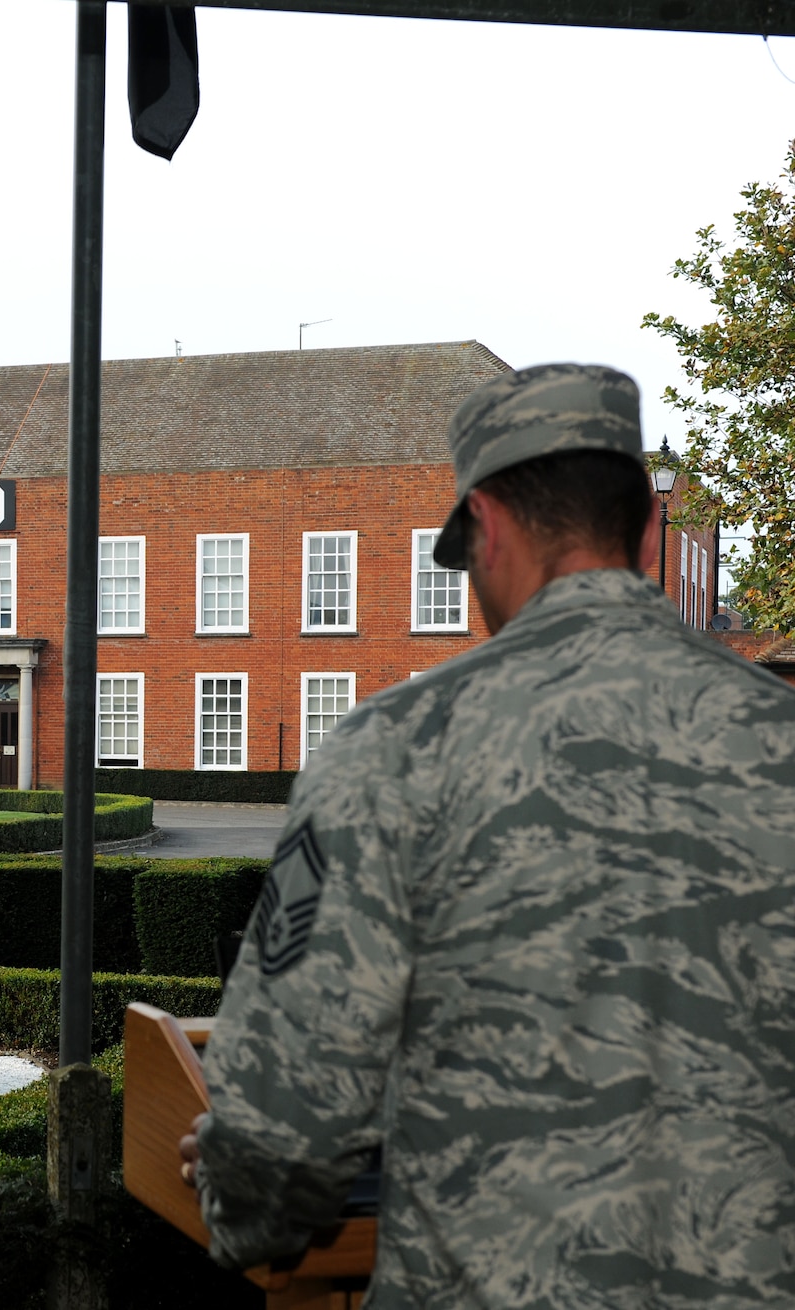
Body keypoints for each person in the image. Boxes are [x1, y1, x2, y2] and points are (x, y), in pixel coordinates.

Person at [178, 364, 795, 1306]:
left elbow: (287, 1112)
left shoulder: (395, 749)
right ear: (638, 526)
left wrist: (243, 1206)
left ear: (488, 524)